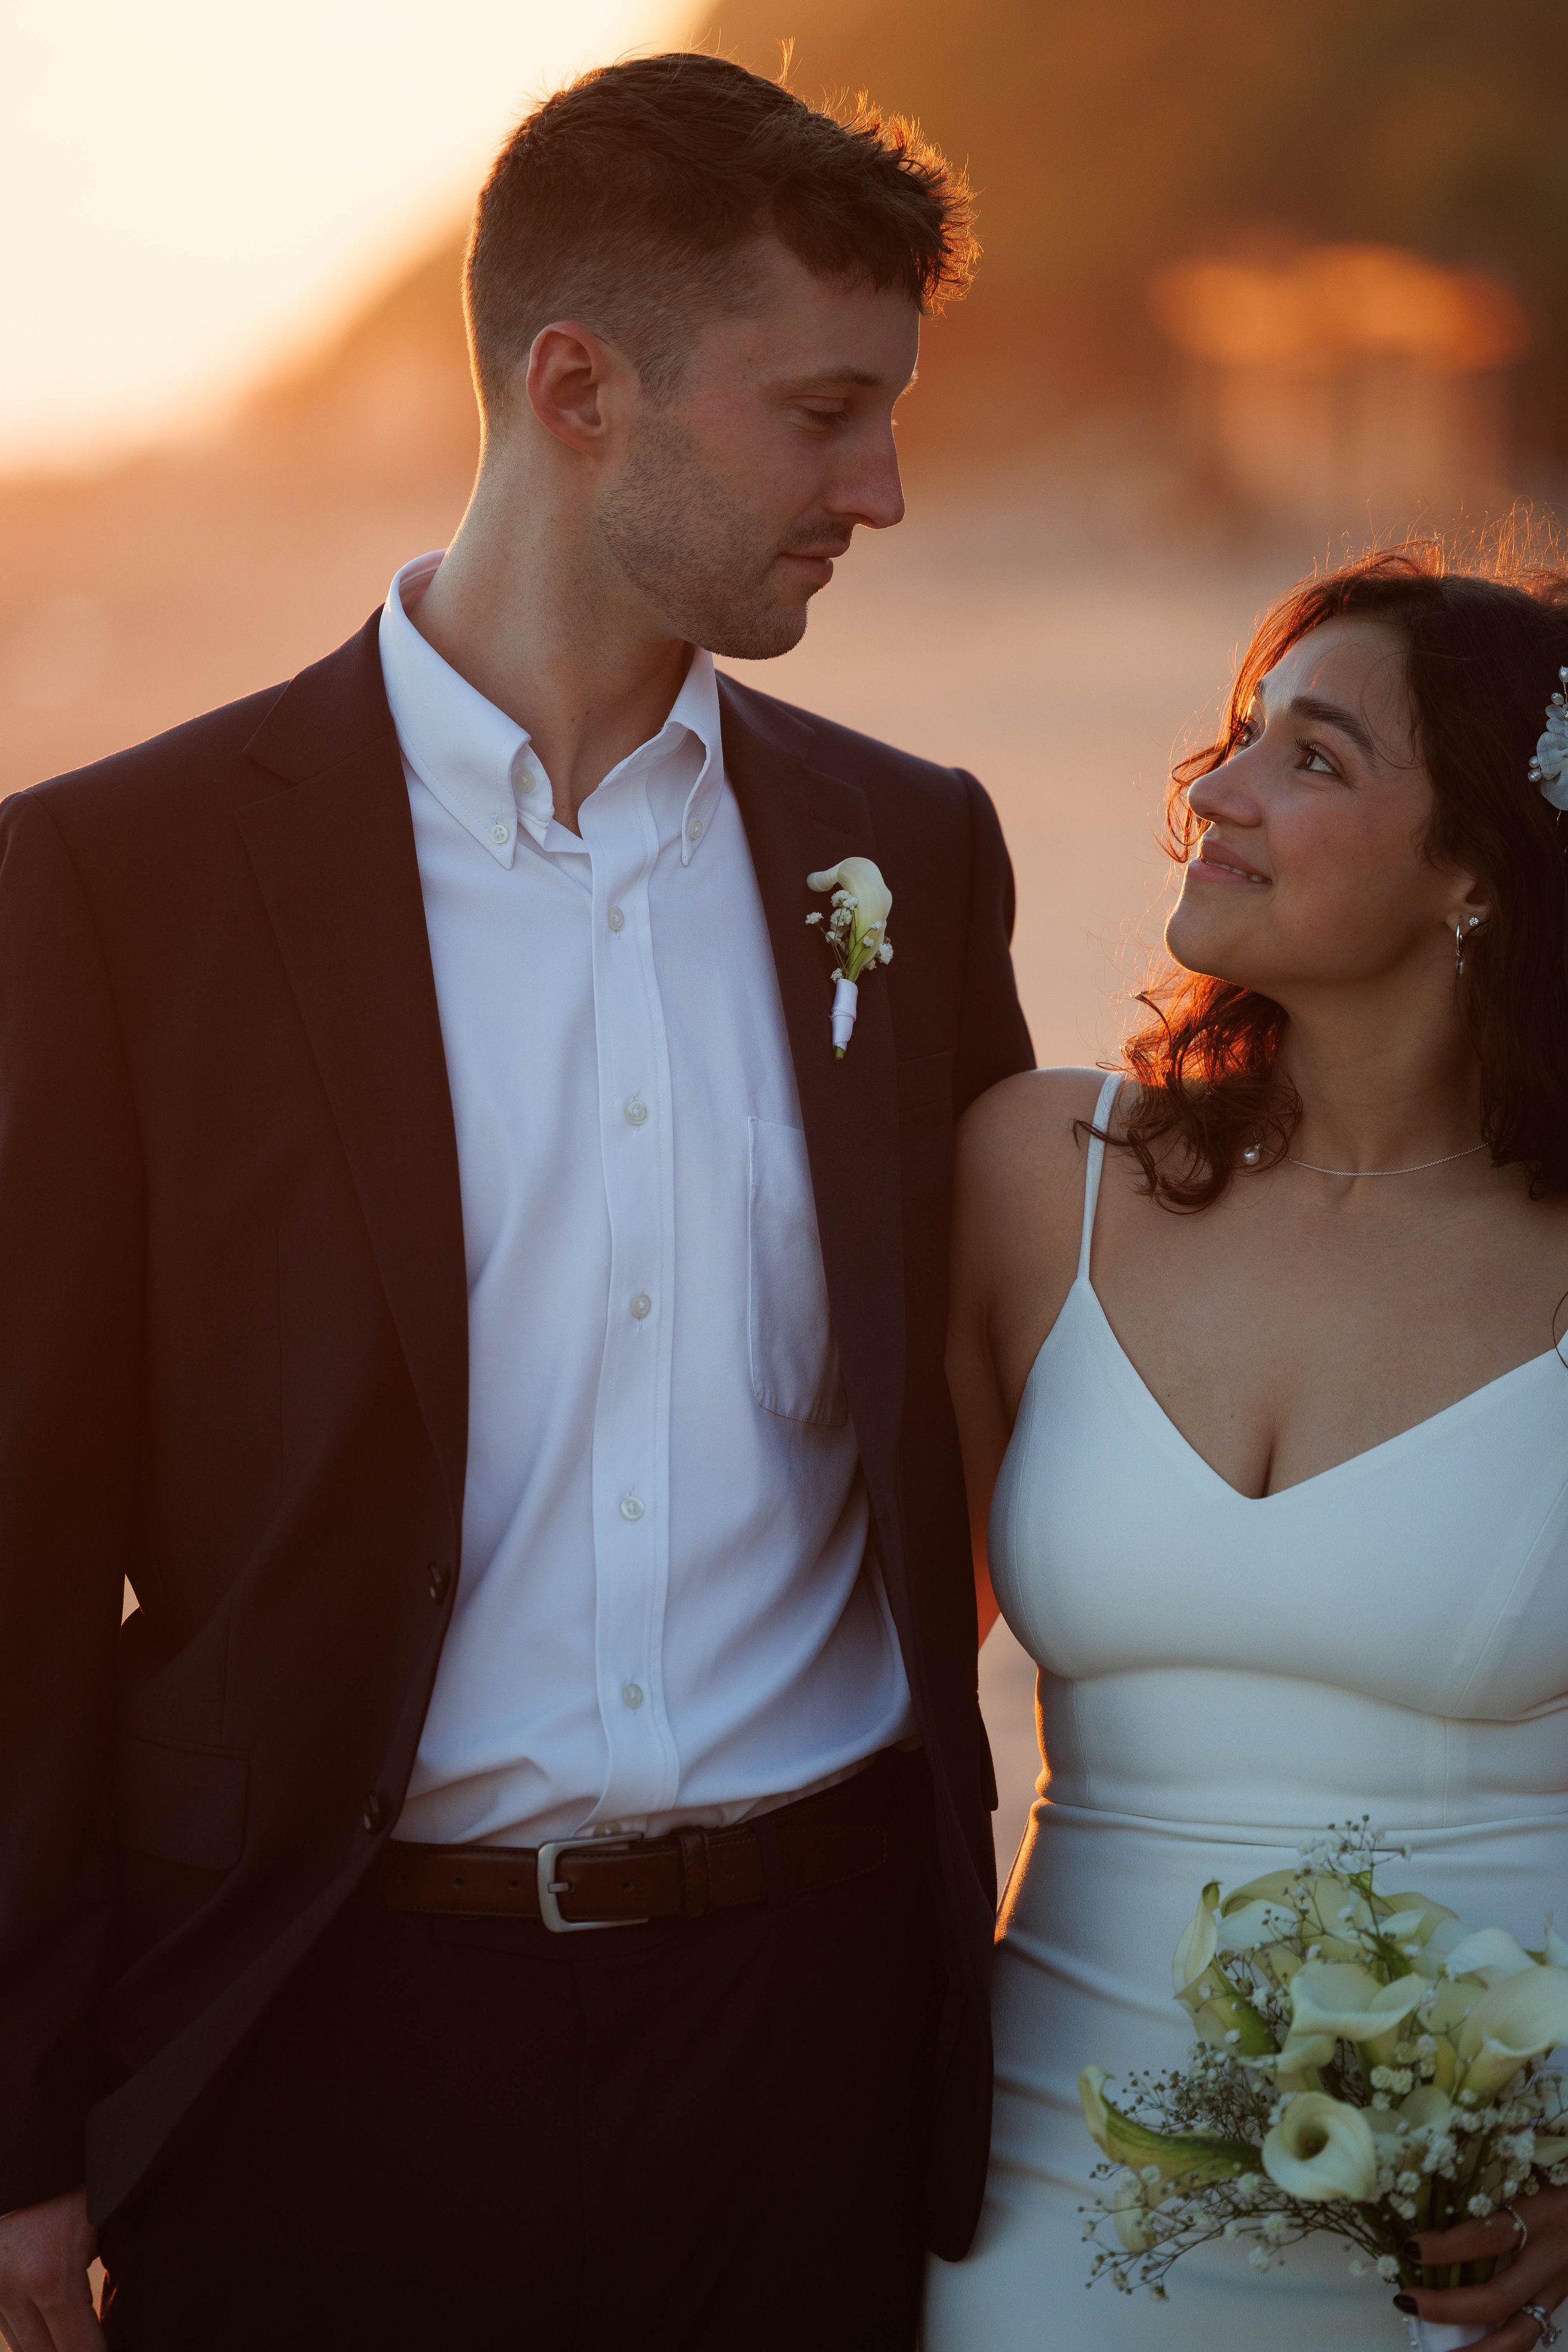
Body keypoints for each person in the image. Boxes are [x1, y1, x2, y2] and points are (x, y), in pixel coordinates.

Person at [0, 52, 1034, 2352]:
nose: (881, 487)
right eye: (824, 412)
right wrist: (17, 2130)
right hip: (316, 2045)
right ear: (579, 386)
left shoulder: (910, 852)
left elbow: (980, 1400)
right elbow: (29, 1543)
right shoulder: (116, 883)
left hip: (810, 2049)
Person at [924, 544, 1568, 2348]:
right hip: (1042, 2202)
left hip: (1476, 2252)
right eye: (1234, 737)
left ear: (1476, 878)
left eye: (1315, 757)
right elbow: (875, 1687)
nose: (1214, 792)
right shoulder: (1042, 1177)